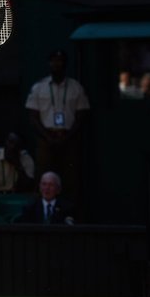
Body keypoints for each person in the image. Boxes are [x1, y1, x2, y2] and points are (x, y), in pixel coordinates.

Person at [24, 50, 89, 202]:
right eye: (53, 61)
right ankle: (42, 212)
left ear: (65, 64)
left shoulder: (76, 87)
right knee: (43, 175)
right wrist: (48, 137)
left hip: (69, 138)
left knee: (71, 178)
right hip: (46, 138)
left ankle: (69, 214)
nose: (56, 64)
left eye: (60, 61)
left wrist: (67, 136)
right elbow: (33, 116)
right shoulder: (39, 87)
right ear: (49, 63)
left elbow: (81, 116)